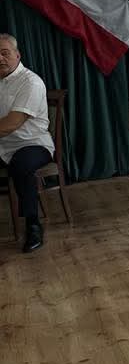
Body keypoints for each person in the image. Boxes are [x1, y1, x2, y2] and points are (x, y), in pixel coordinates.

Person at [0, 34, 55, 252]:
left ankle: (33, 224)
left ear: (17, 55)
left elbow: (12, 123)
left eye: (4, 53)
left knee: (21, 164)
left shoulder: (31, 82)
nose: (0, 58)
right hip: (3, 144)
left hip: (33, 144)